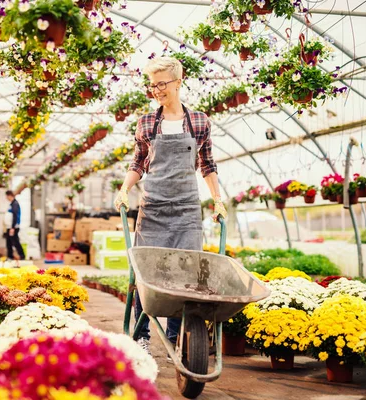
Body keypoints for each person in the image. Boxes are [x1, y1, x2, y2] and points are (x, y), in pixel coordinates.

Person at [113, 57, 227, 358]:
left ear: (178, 81)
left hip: (188, 209)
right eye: (153, 85)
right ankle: (141, 337)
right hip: (153, 209)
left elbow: (208, 164)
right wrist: (125, 189)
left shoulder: (200, 122)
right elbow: (138, 162)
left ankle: (179, 337)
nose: (156, 90)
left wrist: (218, 199)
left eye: (162, 84)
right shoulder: (147, 123)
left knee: (186, 274)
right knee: (144, 275)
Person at [5, 190, 26, 260]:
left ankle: (22, 255)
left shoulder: (15, 204)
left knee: (15, 242)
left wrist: (12, 227)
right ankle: (10, 256)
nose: (6, 198)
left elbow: (15, 216)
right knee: (9, 242)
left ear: (10, 195)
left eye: (7, 196)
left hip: (13, 227)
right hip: (10, 227)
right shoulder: (11, 204)